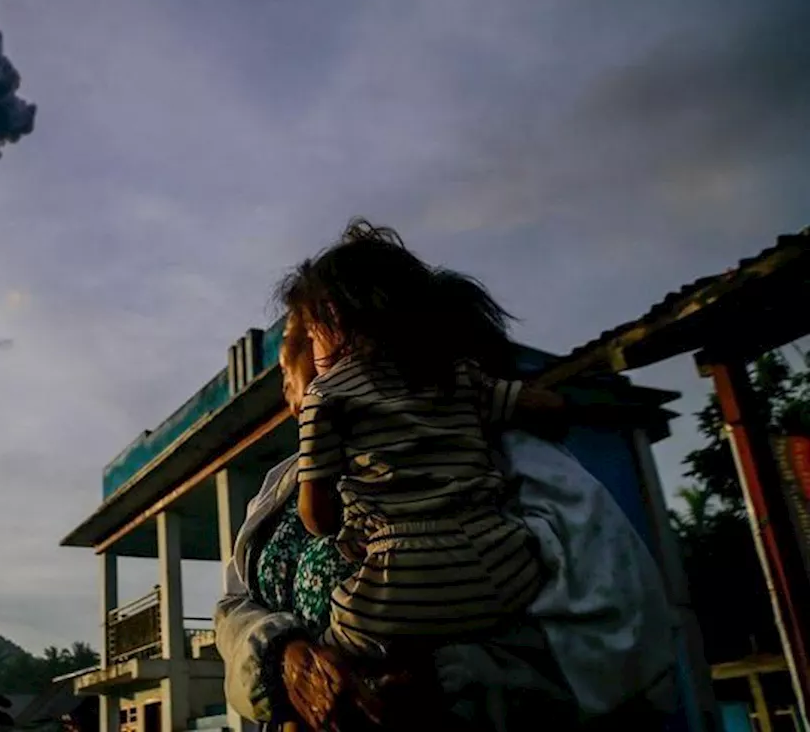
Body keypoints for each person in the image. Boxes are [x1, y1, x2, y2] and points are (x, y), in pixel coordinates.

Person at [215, 222, 679, 730]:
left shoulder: (514, 464)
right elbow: (235, 607)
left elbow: (622, 648)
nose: (289, 361)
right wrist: (281, 660)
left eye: (303, 336)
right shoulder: (280, 486)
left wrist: (453, 680)